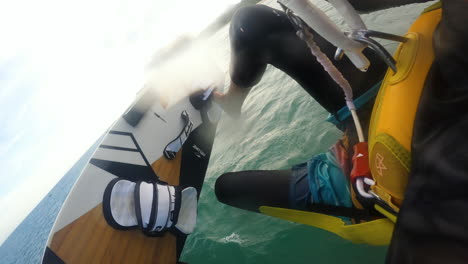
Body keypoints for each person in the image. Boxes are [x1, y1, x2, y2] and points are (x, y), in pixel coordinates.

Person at [213, 0, 468, 262]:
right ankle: (357, 129)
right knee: (254, 23)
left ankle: (357, 165)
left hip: (396, 167)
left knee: (226, 187)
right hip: (428, 88)